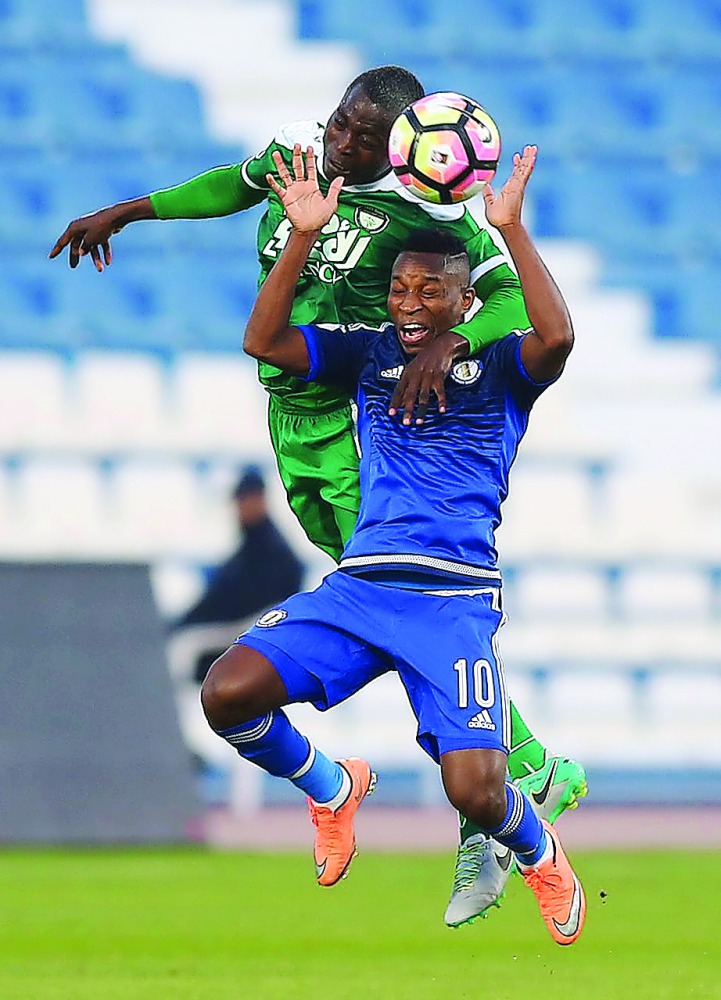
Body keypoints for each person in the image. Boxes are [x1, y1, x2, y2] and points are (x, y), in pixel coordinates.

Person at [49, 65, 586, 925]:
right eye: (340, 123)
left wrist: (440, 349)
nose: (342, 141)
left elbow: (508, 301)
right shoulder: (296, 168)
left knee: (385, 580)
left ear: (402, 150)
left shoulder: (423, 221)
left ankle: (513, 774)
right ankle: (363, 783)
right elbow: (230, 184)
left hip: (349, 413)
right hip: (288, 417)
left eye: (364, 138)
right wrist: (131, 211)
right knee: (358, 583)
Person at [200, 143, 585, 945]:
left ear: (461, 300)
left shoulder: (502, 366)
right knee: (226, 692)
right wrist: (302, 235)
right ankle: (330, 786)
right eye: (399, 288)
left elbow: (557, 337)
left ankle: (540, 853)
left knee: (475, 793)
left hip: (449, 599)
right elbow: (264, 343)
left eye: (429, 290)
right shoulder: (366, 352)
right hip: (362, 587)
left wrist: (509, 231)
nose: (408, 303)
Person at [173, 466, 304, 682]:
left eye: (245, 500)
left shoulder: (272, 551)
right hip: (234, 631)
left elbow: (242, 604)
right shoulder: (252, 546)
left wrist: (188, 623)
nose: (240, 508)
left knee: (182, 648)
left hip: (252, 633)